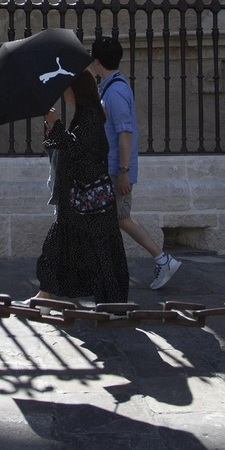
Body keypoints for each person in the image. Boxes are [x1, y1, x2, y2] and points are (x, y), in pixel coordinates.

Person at [27, 69, 129, 306]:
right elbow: (72, 146)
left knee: (100, 253)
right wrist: (53, 128)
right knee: (60, 245)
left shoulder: (91, 115)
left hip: (88, 199)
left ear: (77, 89)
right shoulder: (85, 115)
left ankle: (113, 303)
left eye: (68, 86)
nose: (64, 91)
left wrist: (56, 124)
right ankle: (45, 295)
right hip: (79, 198)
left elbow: (77, 149)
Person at [89, 35, 182, 290]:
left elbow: (125, 133)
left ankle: (160, 260)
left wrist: (123, 172)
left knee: (117, 219)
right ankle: (158, 260)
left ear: (97, 61)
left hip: (114, 169)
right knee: (117, 219)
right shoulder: (109, 87)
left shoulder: (115, 92)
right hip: (110, 167)